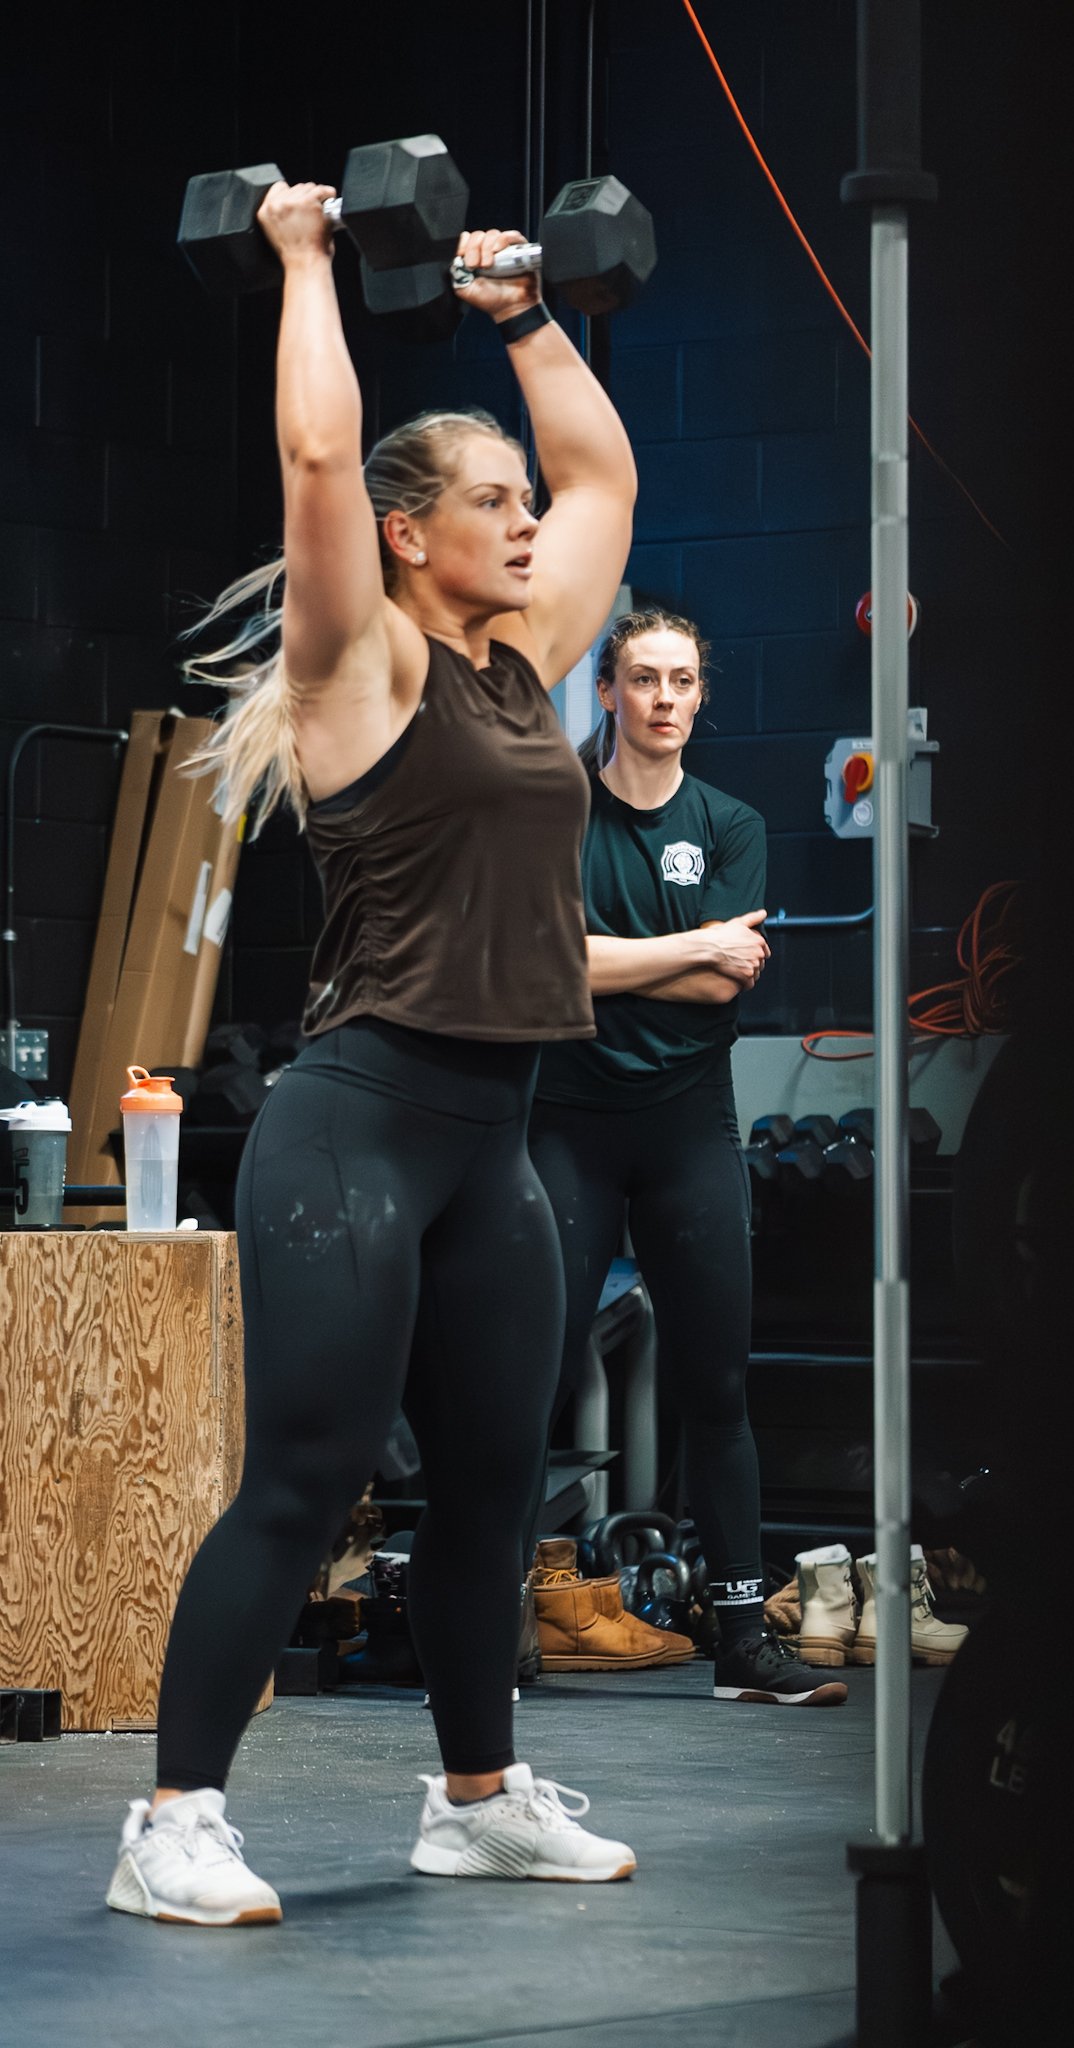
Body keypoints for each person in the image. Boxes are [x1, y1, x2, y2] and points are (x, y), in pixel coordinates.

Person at [105, 183, 640, 1926]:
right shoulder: (363, 668)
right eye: (492, 501)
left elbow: (612, 480)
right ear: (414, 538)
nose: (528, 518)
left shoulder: (523, 663)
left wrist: (524, 315)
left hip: (497, 1140)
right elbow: (321, 465)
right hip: (354, 1126)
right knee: (309, 1471)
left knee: (496, 1486)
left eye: (519, 500)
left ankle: (474, 1795)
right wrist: (308, 261)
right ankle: (174, 1814)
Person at [526, 609, 848, 1707]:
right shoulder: (556, 810)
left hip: (687, 1128)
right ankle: (499, 1626)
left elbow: (724, 984)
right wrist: (696, 941)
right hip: (565, 1123)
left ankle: (741, 1633)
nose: (663, 697)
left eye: (682, 680)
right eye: (642, 679)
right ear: (607, 693)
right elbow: (541, 968)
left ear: (701, 698)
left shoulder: (731, 823)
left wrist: (630, 961)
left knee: (717, 1381)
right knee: (528, 1376)